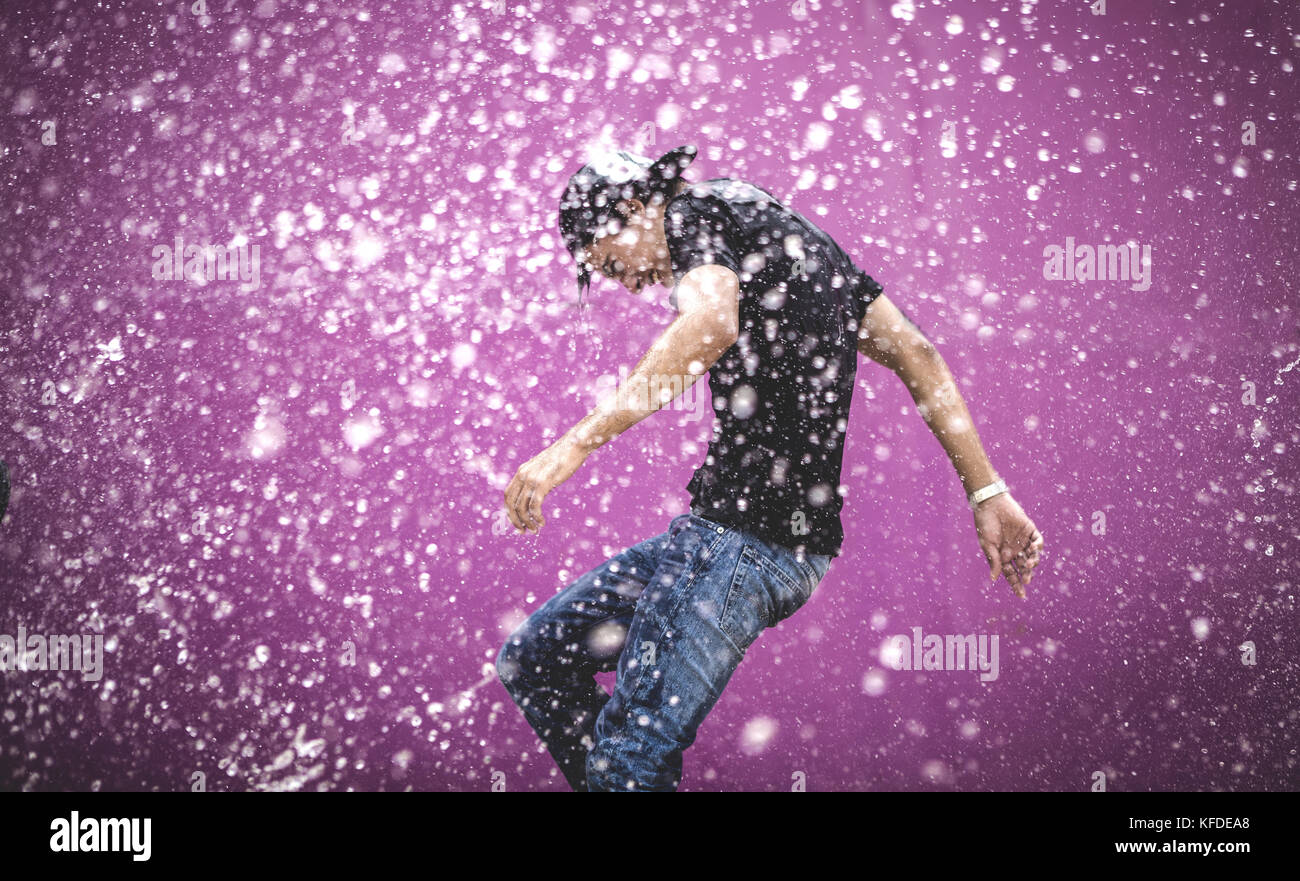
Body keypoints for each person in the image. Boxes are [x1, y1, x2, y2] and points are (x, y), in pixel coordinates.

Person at [496, 144, 1044, 791]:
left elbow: (710, 321)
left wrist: (573, 447)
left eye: (612, 262)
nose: (630, 282)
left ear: (636, 205)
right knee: (535, 657)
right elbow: (919, 353)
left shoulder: (692, 211)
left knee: (629, 758)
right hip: (774, 550)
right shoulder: (787, 232)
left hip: (735, 544)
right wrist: (988, 490)